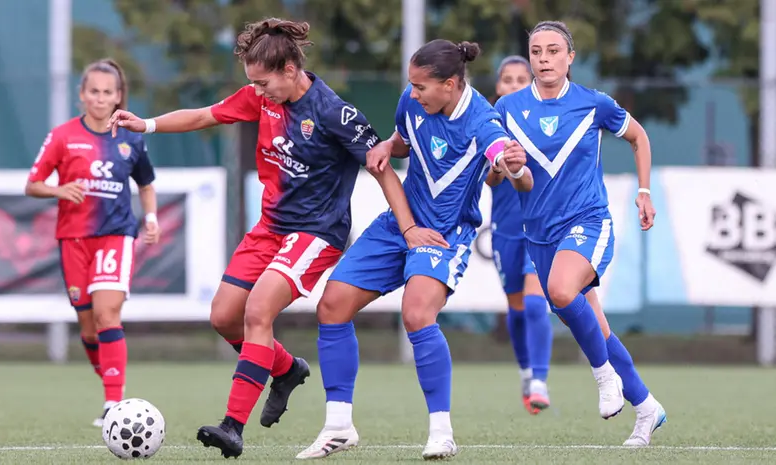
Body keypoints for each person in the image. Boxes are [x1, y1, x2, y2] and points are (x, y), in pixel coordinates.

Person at [107, 18, 416, 459]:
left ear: (290, 69)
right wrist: (147, 125)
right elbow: (204, 115)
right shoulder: (260, 99)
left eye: (263, 80)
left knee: (257, 310)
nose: (257, 89)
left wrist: (408, 227)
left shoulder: (334, 113)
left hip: (315, 234)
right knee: (224, 316)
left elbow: (382, 166)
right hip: (269, 229)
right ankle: (287, 370)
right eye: (252, 82)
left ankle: (233, 426)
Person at [297, 39, 533, 460]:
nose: (413, 92)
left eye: (422, 86)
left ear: (451, 84)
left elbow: (509, 169)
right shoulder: (413, 99)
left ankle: (441, 432)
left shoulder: (484, 121)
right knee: (331, 305)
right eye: (412, 85)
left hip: (445, 234)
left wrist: (512, 167)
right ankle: (338, 426)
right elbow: (405, 139)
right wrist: (389, 144)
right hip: (400, 224)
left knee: (417, 313)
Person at [494, 20, 667, 446]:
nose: (544, 59)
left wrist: (644, 191)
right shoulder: (507, 109)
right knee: (597, 325)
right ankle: (646, 408)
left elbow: (639, 136)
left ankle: (603, 376)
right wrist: (507, 167)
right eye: (537, 52)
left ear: (570, 58)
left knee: (560, 290)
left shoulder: (594, 104)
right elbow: (497, 177)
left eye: (554, 51)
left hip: (588, 221)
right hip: (538, 233)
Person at [25, 58, 161, 427]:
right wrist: (58, 189)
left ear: (118, 97)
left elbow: (145, 184)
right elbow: (32, 184)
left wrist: (150, 219)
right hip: (73, 239)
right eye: (94, 92)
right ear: (81, 95)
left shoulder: (130, 137)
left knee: (106, 314)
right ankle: (112, 386)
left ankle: (112, 404)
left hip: (116, 235)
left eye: (107, 92)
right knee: (88, 328)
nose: (100, 99)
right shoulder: (62, 136)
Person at [489, 56, 553, 415]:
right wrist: (501, 163)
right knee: (516, 307)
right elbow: (488, 179)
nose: (513, 85)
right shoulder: (490, 125)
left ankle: (540, 379)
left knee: (533, 301)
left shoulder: (544, 121)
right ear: (498, 87)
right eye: (507, 79)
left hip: (540, 228)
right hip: (505, 231)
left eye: (520, 79)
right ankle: (526, 373)